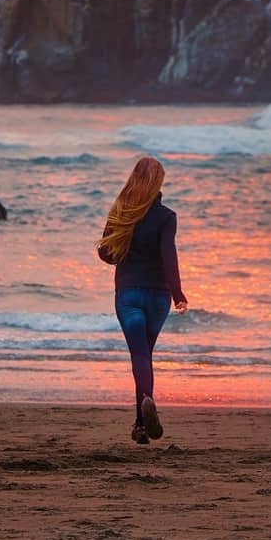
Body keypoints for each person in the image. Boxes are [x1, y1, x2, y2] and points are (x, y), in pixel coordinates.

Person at [97, 156, 188, 444]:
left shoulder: (121, 212)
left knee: (139, 356)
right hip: (158, 297)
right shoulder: (167, 217)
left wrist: (124, 247)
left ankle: (143, 413)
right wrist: (178, 293)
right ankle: (140, 422)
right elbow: (168, 256)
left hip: (129, 295)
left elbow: (106, 254)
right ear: (158, 183)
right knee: (146, 355)